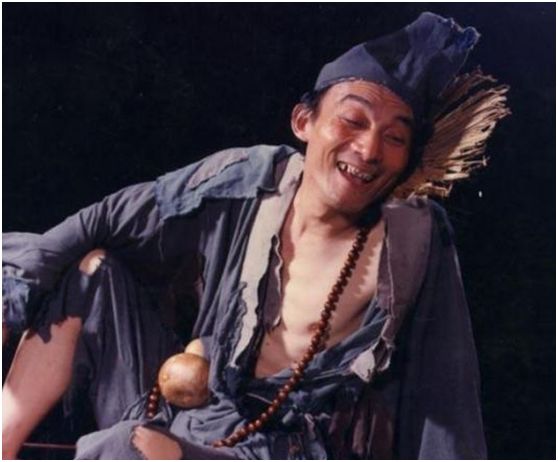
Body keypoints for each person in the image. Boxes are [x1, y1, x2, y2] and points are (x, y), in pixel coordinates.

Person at [2, 12, 510, 460]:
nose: (369, 149)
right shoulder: (249, 179)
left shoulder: (411, 240)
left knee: (125, 448)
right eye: (353, 120)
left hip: (278, 449)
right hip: (189, 411)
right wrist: (9, 302)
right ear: (304, 121)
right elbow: (100, 221)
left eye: (394, 137)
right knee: (92, 270)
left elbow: (446, 390)